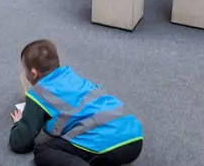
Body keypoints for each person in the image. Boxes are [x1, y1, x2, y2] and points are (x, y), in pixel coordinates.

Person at [9, 39, 143, 166]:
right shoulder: (70, 75)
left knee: (43, 152)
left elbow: (21, 143)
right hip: (134, 137)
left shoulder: (38, 93)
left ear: (33, 73)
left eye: (25, 70)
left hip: (106, 146)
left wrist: (19, 124)